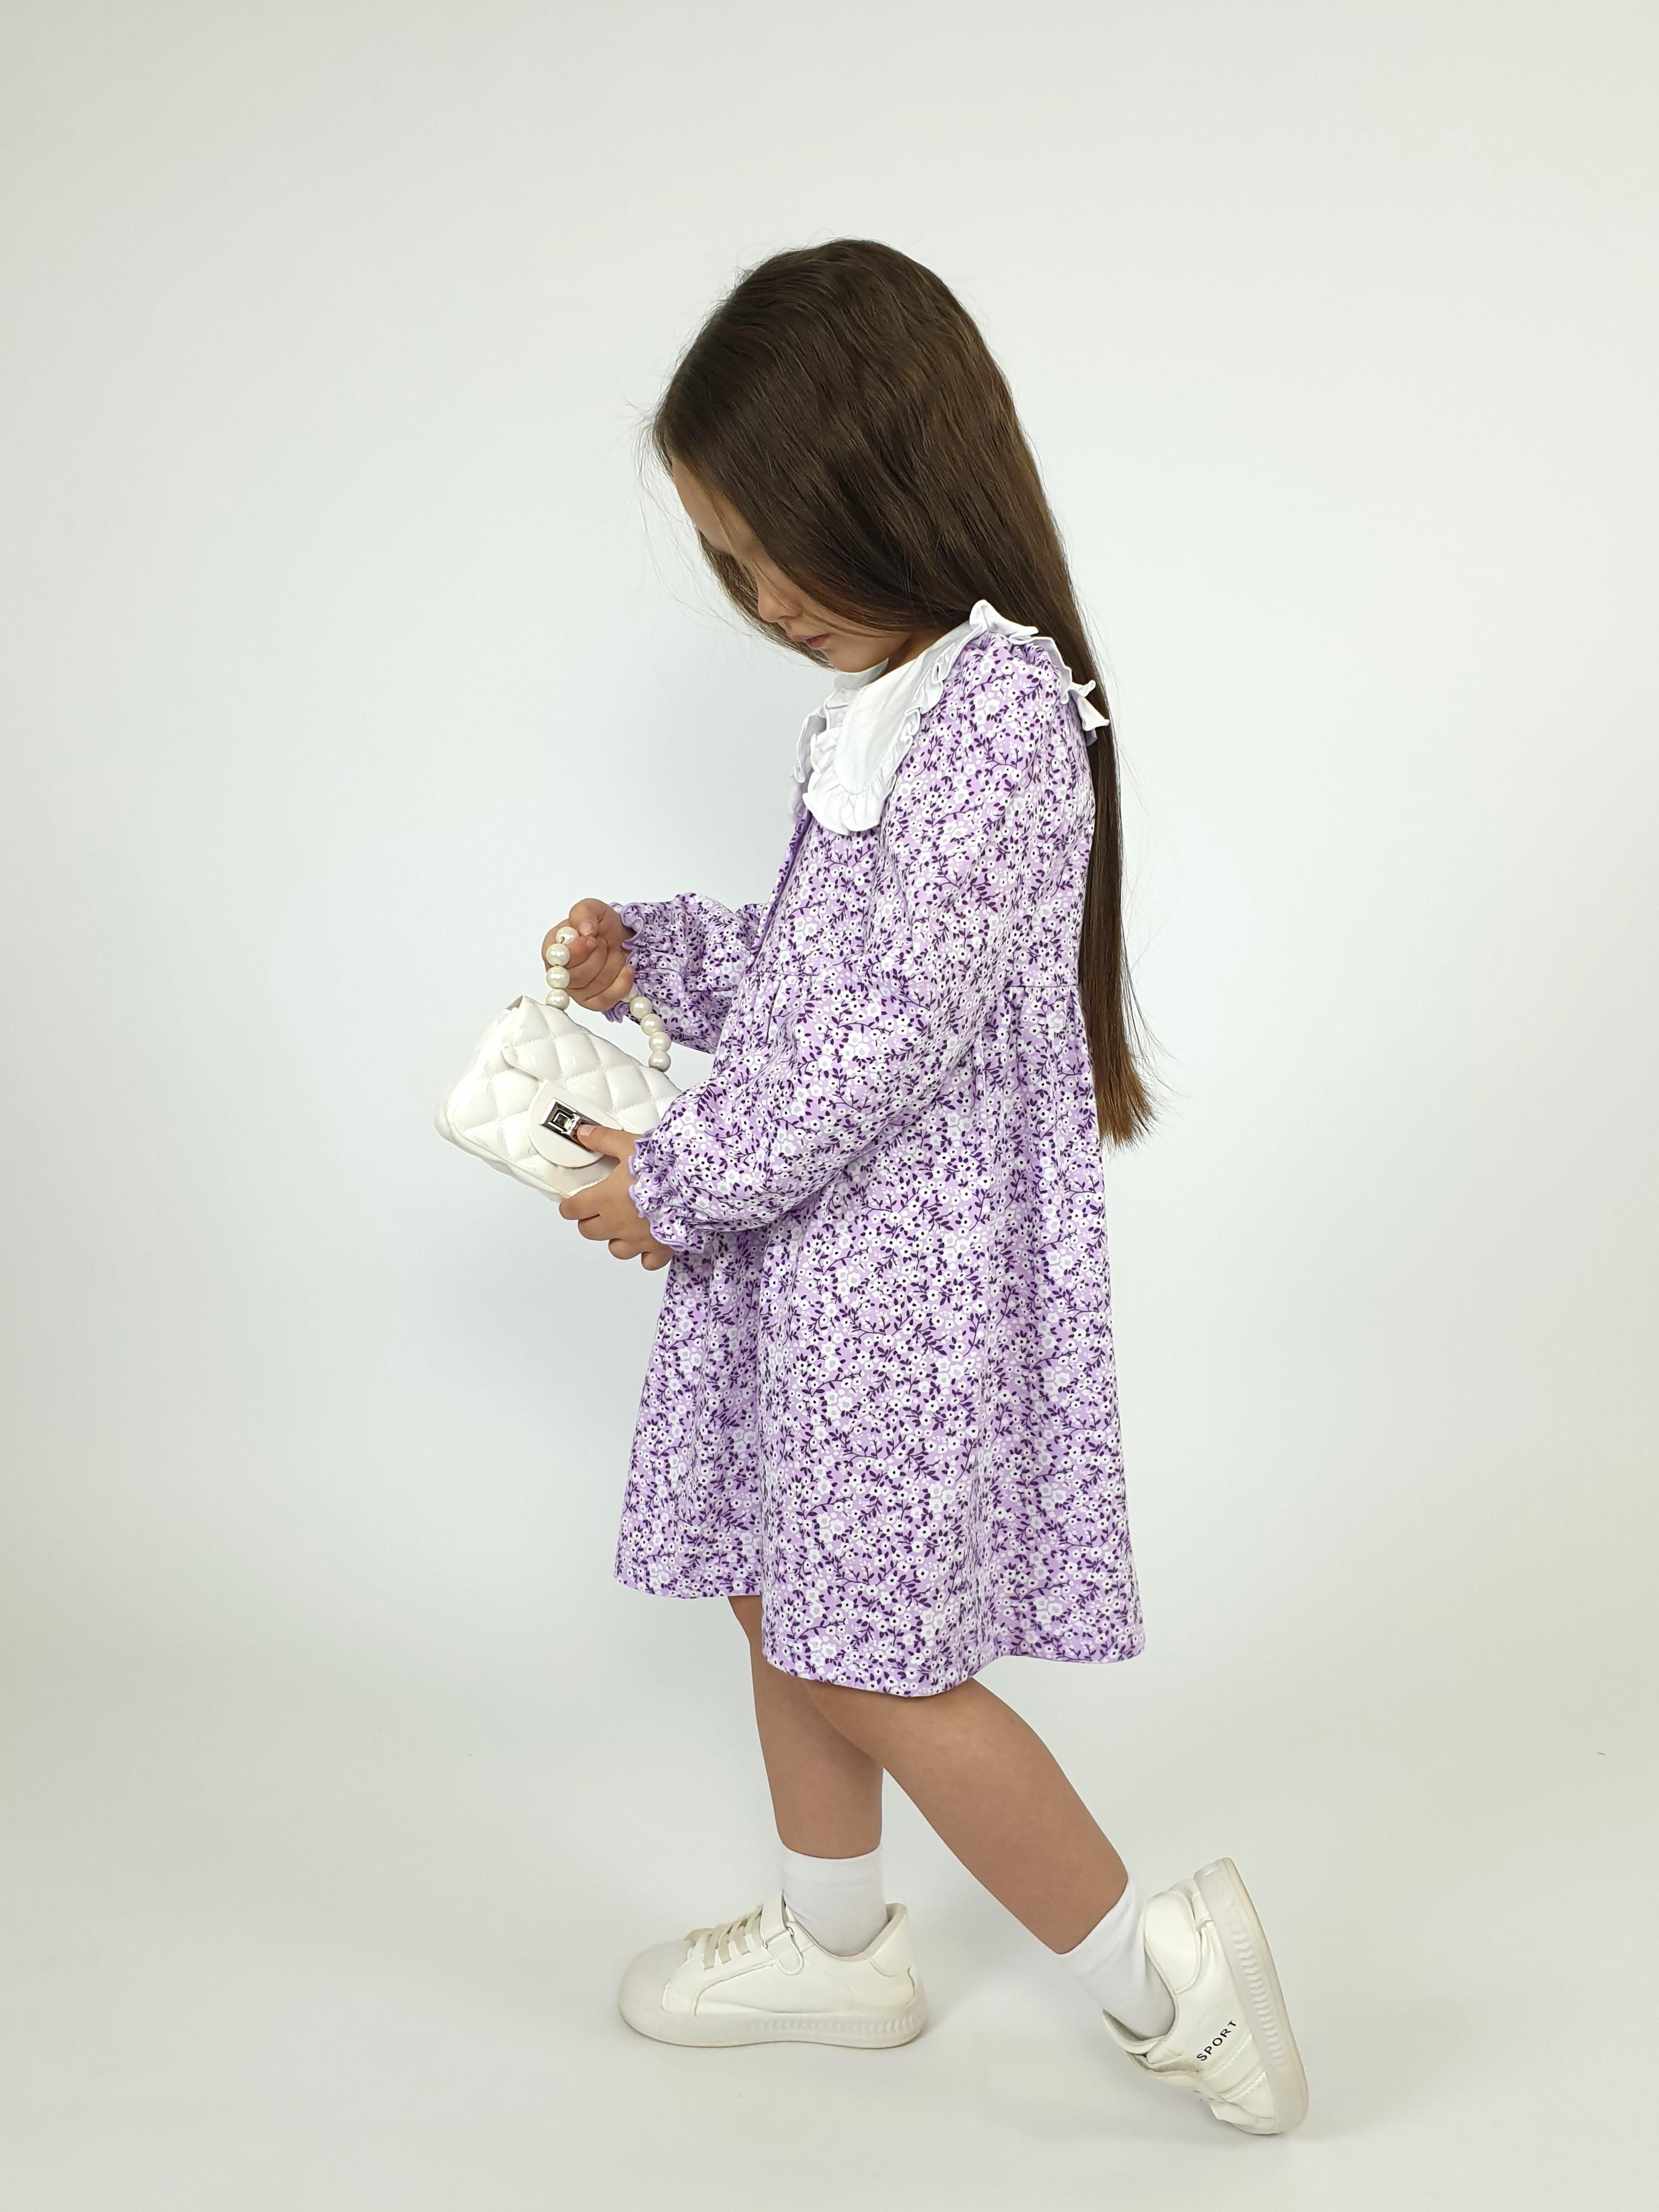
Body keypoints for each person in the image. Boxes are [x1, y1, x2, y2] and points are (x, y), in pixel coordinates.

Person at [544, 239, 1307, 2135]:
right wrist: (656, 959)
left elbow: (877, 1042)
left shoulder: (1001, 716)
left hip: (901, 1296)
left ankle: (1170, 1983)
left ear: (894, 481)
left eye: (781, 548)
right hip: (820, 1275)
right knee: (776, 1593)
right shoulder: (892, 708)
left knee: (874, 1659)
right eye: (729, 567)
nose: (766, 601)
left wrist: (679, 1185)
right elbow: (831, 974)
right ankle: (835, 1945)